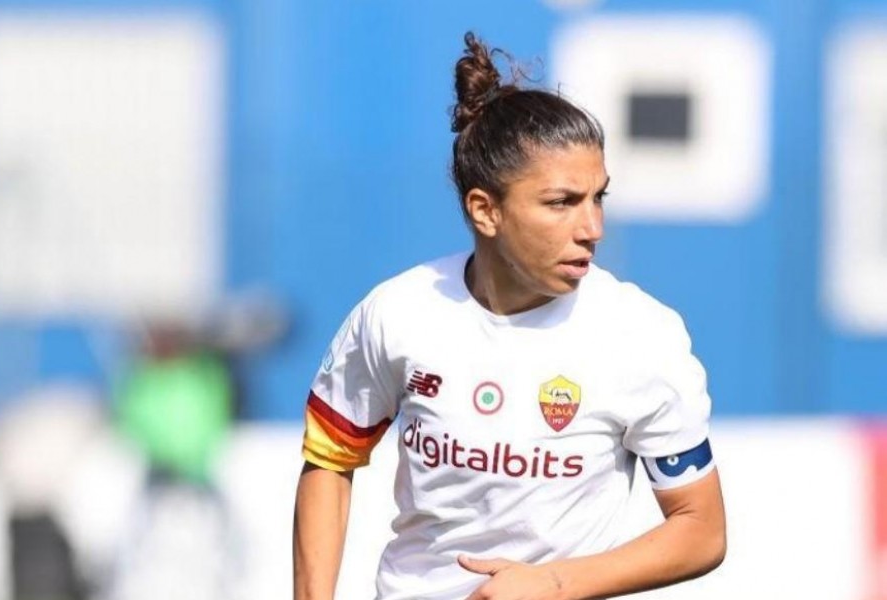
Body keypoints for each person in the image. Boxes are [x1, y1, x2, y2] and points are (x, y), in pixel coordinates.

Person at [293, 31, 726, 600]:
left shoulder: (641, 334)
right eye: (561, 203)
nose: (592, 227)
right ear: (485, 210)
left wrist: (552, 582)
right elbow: (328, 461)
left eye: (599, 197)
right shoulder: (396, 314)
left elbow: (701, 529)